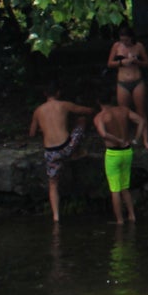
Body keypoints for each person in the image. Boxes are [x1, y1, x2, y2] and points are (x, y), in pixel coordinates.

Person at [28, 88, 94, 222]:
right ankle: (77, 152)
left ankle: (56, 216)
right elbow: (86, 111)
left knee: (53, 184)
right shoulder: (64, 105)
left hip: (52, 152)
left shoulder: (38, 110)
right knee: (81, 122)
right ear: (58, 93)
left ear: (44, 94)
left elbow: (32, 133)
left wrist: (44, 128)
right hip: (67, 147)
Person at [93, 88, 146, 224]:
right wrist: (136, 139)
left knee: (115, 190)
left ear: (98, 101)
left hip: (113, 154)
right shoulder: (123, 110)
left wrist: (117, 140)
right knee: (125, 187)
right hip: (127, 152)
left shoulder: (100, 117)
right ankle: (132, 216)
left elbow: (104, 134)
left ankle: (120, 220)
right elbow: (141, 121)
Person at [106, 26, 148, 147]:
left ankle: (145, 140)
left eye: (126, 40)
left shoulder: (139, 46)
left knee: (140, 110)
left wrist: (136, 61)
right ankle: (124, 139)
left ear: (131, 38)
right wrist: (122, 62)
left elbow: (147, 63)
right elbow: (110, 63)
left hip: (137, 80)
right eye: (122, 40)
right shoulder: (116, 46)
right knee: (123, 112)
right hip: (122, 82)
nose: (125, 42)